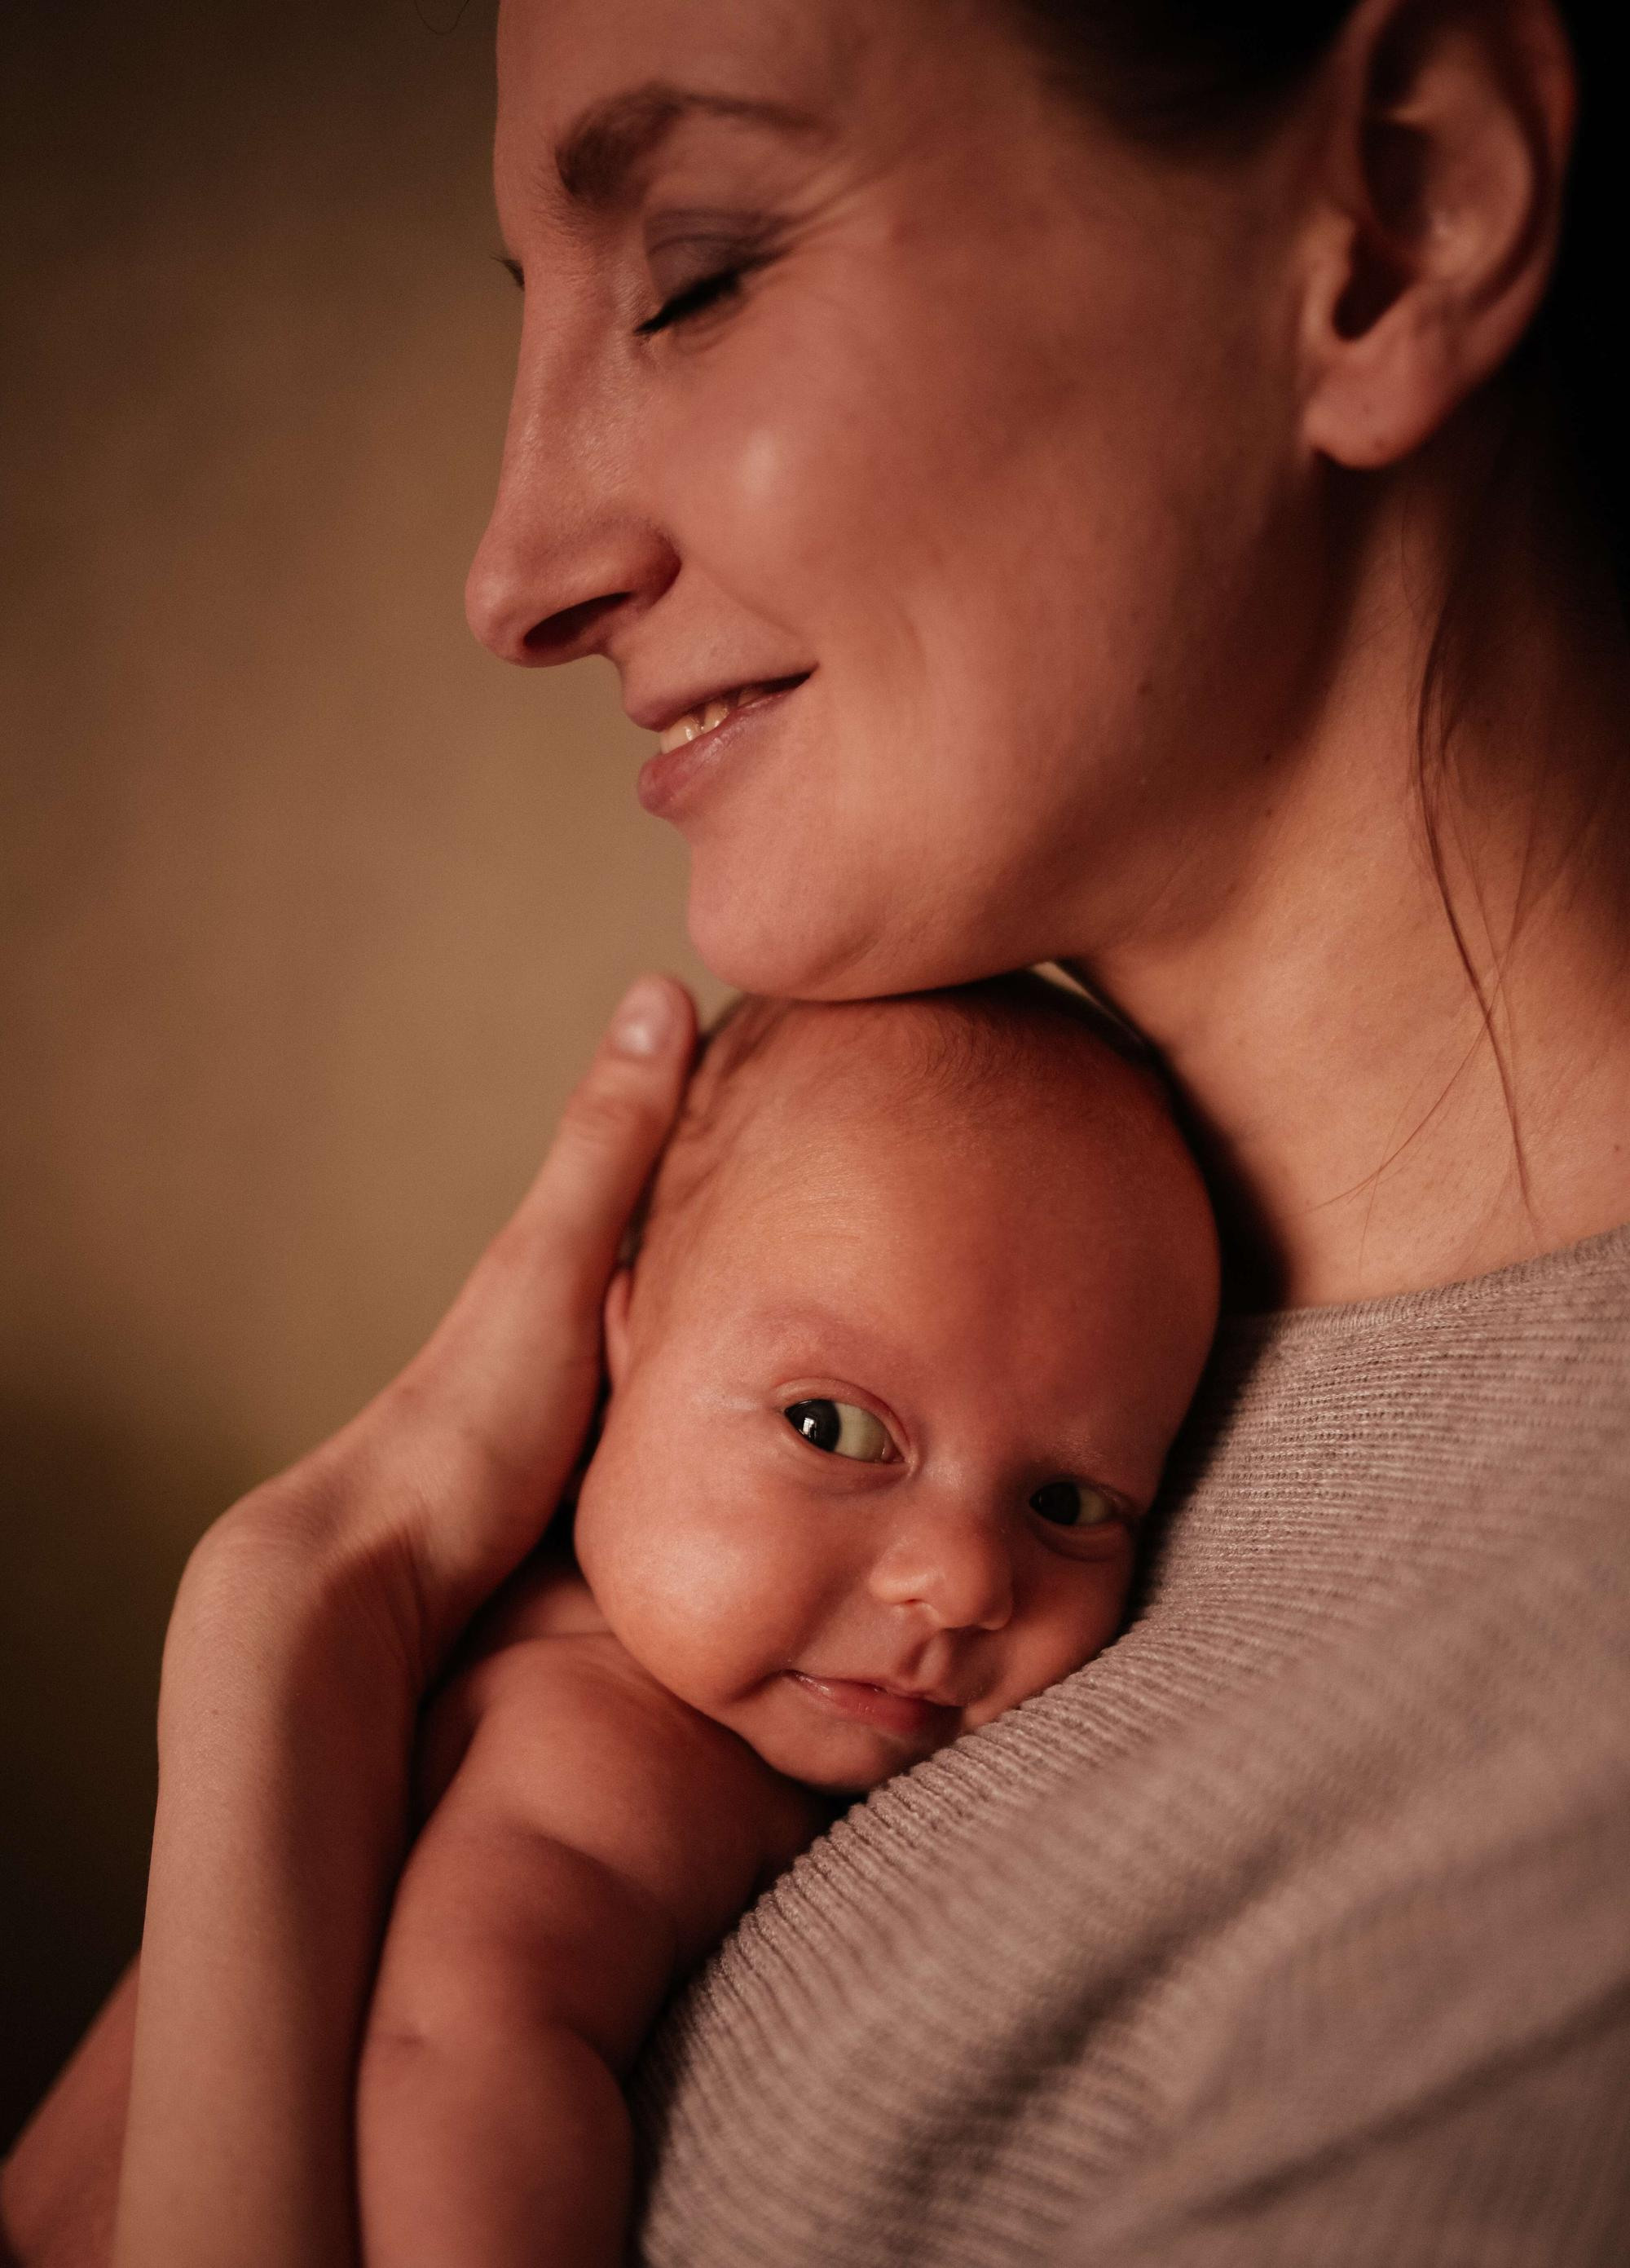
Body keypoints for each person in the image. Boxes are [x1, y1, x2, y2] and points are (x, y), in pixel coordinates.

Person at [3, 0, 1628, 2261]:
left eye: (693, 272)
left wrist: (295, 1639)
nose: (517, 575)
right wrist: (312, 1641)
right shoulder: (933, 1270)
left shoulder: (1550, 1851)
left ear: (1402, 207)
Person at [355, 982, 1218, 2268]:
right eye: (833, 1427)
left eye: (1069, 1501)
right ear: (620, 1345)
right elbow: (457, 2053)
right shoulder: (607, 1740)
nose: (966, 1579)